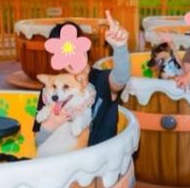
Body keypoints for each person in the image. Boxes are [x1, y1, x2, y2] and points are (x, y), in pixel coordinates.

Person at [31, 11, 131, 148]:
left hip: (99, 159)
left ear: (84, 44)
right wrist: (49, 125)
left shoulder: (102, 80)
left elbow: (120, 78)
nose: (70, 56)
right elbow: (38, 142)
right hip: (63, 159)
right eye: (62, 52)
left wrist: (120, 48)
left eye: (74, 46)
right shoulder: (51, 89)